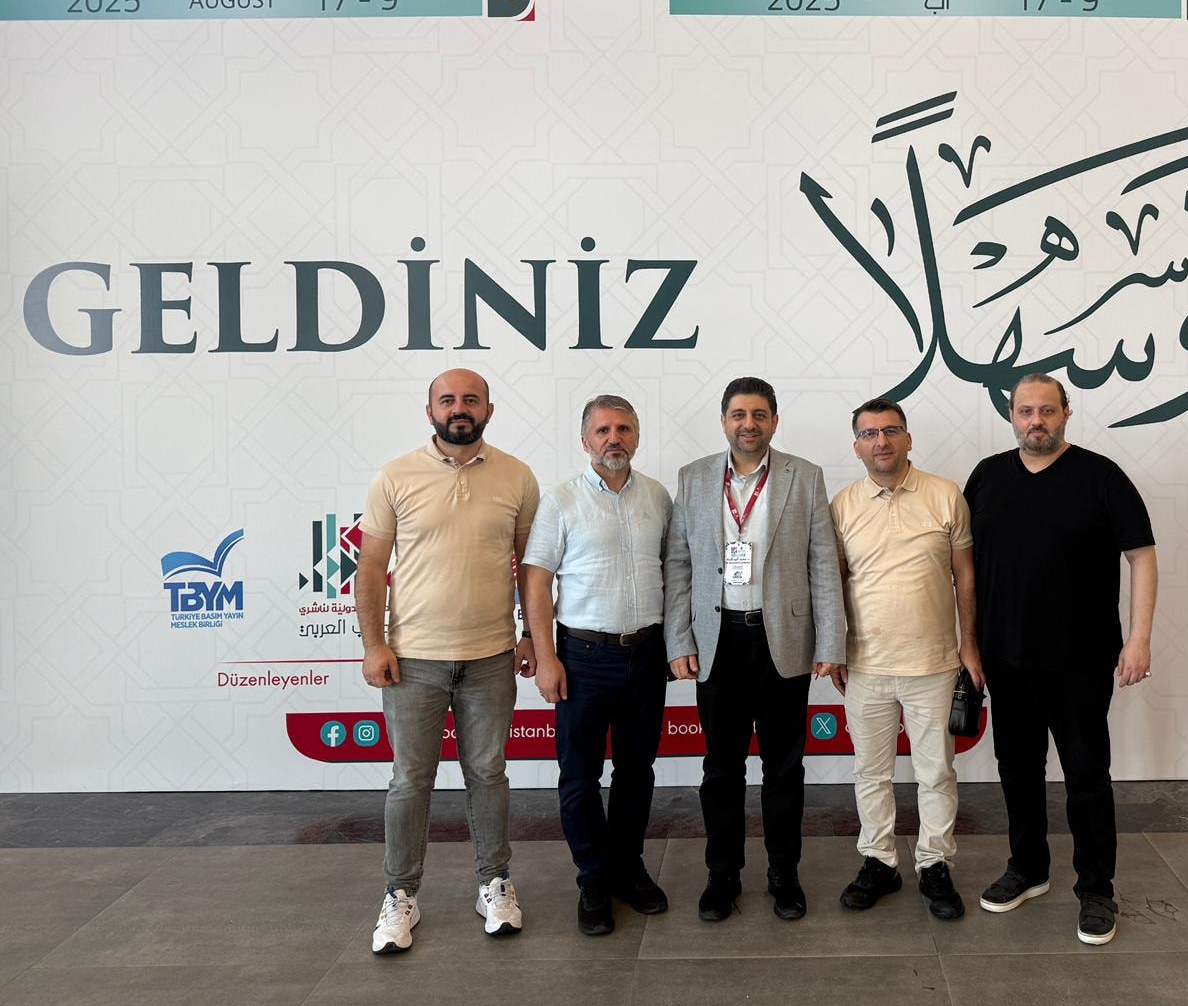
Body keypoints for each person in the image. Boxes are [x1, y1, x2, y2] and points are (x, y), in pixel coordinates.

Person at [963, 373, 1157, 946]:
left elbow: (1142, 557)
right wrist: (967, 643)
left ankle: (1096, 889)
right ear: (1011, 416)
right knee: (1017, 770)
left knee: (1086, 777)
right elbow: (964, 568)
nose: (1036, 421)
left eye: (1047, 410)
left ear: (1066, 413)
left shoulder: (1102, 476)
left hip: (1081, 660)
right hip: (1005, 657)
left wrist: (1140, 638)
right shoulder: (987, 477)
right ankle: (1028, 868)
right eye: (1026, 411)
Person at [356, 369, 541, 955]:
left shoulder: (517, 476)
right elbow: (370, 567)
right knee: (410, 781)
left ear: (489, 409)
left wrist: (532, 637)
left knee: (488, 775)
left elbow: (531, 569)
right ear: (430, 410)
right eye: (448, 400)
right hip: (413, 660)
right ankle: (400, 894)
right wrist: (374, 644)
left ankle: (494, 883)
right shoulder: (395, 476)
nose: (459, 408)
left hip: (491, 656)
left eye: (470, 399)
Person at [664, 376, 846, 922]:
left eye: (759, 415)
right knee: (721, 769)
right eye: (739, 415)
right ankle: (722, 875)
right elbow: (679, 564)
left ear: (774, 421)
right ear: (724, 421)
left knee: (784, 768)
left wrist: (831, 639)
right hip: (717, 641)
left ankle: (784, 874)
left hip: (782, 640)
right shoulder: (694, 477)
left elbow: (823, 563)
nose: (749, 424)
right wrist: (679, 638)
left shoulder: (804, 476)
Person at [522, 394, 673, 937]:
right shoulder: (561, 500)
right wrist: (545, 657)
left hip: (646, 654)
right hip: (582, 657)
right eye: (603, 430)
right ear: (585, 440)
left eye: (624, 429)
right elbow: (536, 580)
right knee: (580, 776)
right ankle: (592, 877)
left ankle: (628, 867)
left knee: (637, 771)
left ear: (637, 436)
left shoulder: (657, 496)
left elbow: (673, 570)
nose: (614, 438)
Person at [829, 398, 981, 920]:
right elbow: (832, 585)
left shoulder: (945, 495)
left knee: (935, 773)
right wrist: (833, 649)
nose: (881, 441)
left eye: (891, 430)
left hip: (934, 664)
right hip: (865, 665)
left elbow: (965, 577)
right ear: (856, 447)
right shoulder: (842, 505)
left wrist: (969, 644)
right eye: (869, 434)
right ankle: (879, 862)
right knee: (870, 773)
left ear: (908, 439)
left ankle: (934, 864)